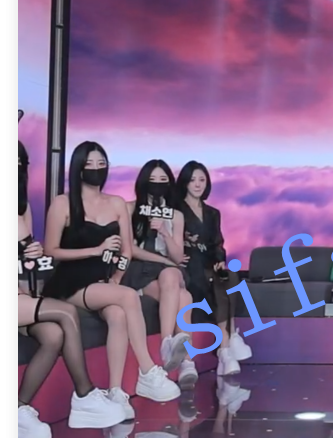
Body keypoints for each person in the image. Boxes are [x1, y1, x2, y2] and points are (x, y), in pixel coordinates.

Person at [42, 142, 180, 415]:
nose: (96, 169)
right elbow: (51, 250)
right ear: (78, 168)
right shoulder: (62, 203)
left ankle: (115, 392)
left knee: (117, 314)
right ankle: (147, 370)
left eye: (101, 164)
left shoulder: (116, 203)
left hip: (103, 281)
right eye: (90, 164)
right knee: (128, 297)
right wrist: (96, 250)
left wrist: (117, 276)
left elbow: (126, 251)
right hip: (71, 282)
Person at [18, 140, 127, 438]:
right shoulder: (62, 203)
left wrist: (29, 256)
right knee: (66, 312)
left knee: (53, 335)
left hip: (21, 297)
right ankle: (85, 394)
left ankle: (20, 408)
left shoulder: (22, 209)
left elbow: (29, 261)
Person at [176, 161, 250, 383]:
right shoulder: (177, 211)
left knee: (229, 277)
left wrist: (219, 260)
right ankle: (226, 345)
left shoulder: (213, 213)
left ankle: (228, 341)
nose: (197, 185)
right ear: (185, 182)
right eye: (193, 180)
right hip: (188, 264)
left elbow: (217, 243)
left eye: (202, 180)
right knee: (208, 280)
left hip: (208, 263)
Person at [124, 160, 194, 374]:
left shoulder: (176, 215)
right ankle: (187, 362)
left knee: (171, 274)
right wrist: (164, 261)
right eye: (152, 179)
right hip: (142, 270)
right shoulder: (129, 209)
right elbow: (130, 249)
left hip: (170, 270)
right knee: (184, 297)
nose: (157, 184)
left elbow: (178, 256)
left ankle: (167, 343)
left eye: (162, 179)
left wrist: (164, 232)